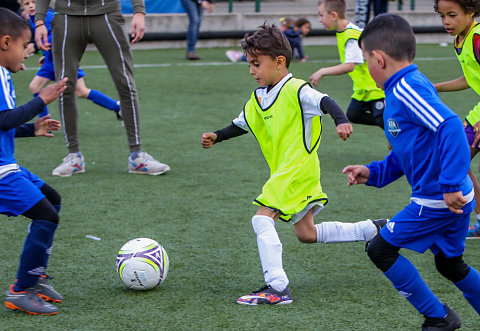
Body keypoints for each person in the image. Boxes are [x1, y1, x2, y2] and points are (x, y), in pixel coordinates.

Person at [202, 24, 387, 306]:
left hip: (295, 168)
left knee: (262, 218)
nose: (252, 71)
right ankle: (371, 230)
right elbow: (240, 124)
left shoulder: (296, 89)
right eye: (249, 64)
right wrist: (217, 136)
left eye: (256, 64)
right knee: (306, 234)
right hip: (291, 172)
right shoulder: (258, 97)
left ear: (279, 62)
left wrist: (342, 121)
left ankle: (277, 287)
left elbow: (326, 101)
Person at [343, 14, 480, 329]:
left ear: (379, 58)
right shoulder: (403, 87)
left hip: (438, 198)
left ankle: (439, 318)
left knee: (380, 249)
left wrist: (448, 184)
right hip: (451, 194)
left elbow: (450, 128)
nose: (366, 68)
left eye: (366, 61)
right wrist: (374, 172)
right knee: (450, 264)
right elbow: (411, 150)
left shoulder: (406, 89)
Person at [34, 0, 170, 177]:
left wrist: (139, 12)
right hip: (67, 17)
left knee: (126, 84)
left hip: (107, 13)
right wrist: (39, 21)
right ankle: (74, 156)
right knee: (64, 87)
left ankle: (137, 156)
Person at [0, 8, 68, 315]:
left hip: (7, 162)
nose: (27, 57)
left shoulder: (4, 74)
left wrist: (32, 128)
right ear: (5, 42)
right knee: (46, 214)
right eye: (24, 48)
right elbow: (3, 120)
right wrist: (41, 100)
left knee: (51, 201)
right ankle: (21, 289)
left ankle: (34, 276)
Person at [20, 0, 122, 120]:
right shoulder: (34, 20)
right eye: (27, 3)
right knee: (35, 87)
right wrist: (46, 54)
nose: (31, 5)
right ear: (22, 7)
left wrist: (36, 47)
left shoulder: (47, 16)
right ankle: (45, 122)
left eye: (34, 2)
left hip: (65, 60)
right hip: (51, 63)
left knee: (81, 92)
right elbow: (48, 38)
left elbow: (62, 33)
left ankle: (117, 107)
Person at [433, 0, 480, 238]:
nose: (446, 22)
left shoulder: (478, 38)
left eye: (452, 15)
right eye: (442, 16)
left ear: (471, 12)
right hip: (477, 113)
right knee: (454, 158)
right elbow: (470, 77)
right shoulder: (460, 39)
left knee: (455, 159)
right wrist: (437, 87)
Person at [310, 0, 385, 129]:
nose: (320, 20)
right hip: (362, 90)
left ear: (333, 15)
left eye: (322, 15)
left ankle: (397, 129)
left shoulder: (351, 36)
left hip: (375, 88)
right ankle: (393, 126)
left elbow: (349, 66)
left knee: (382, 120)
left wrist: (322, 71)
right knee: (353, 114)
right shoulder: (346, 32)